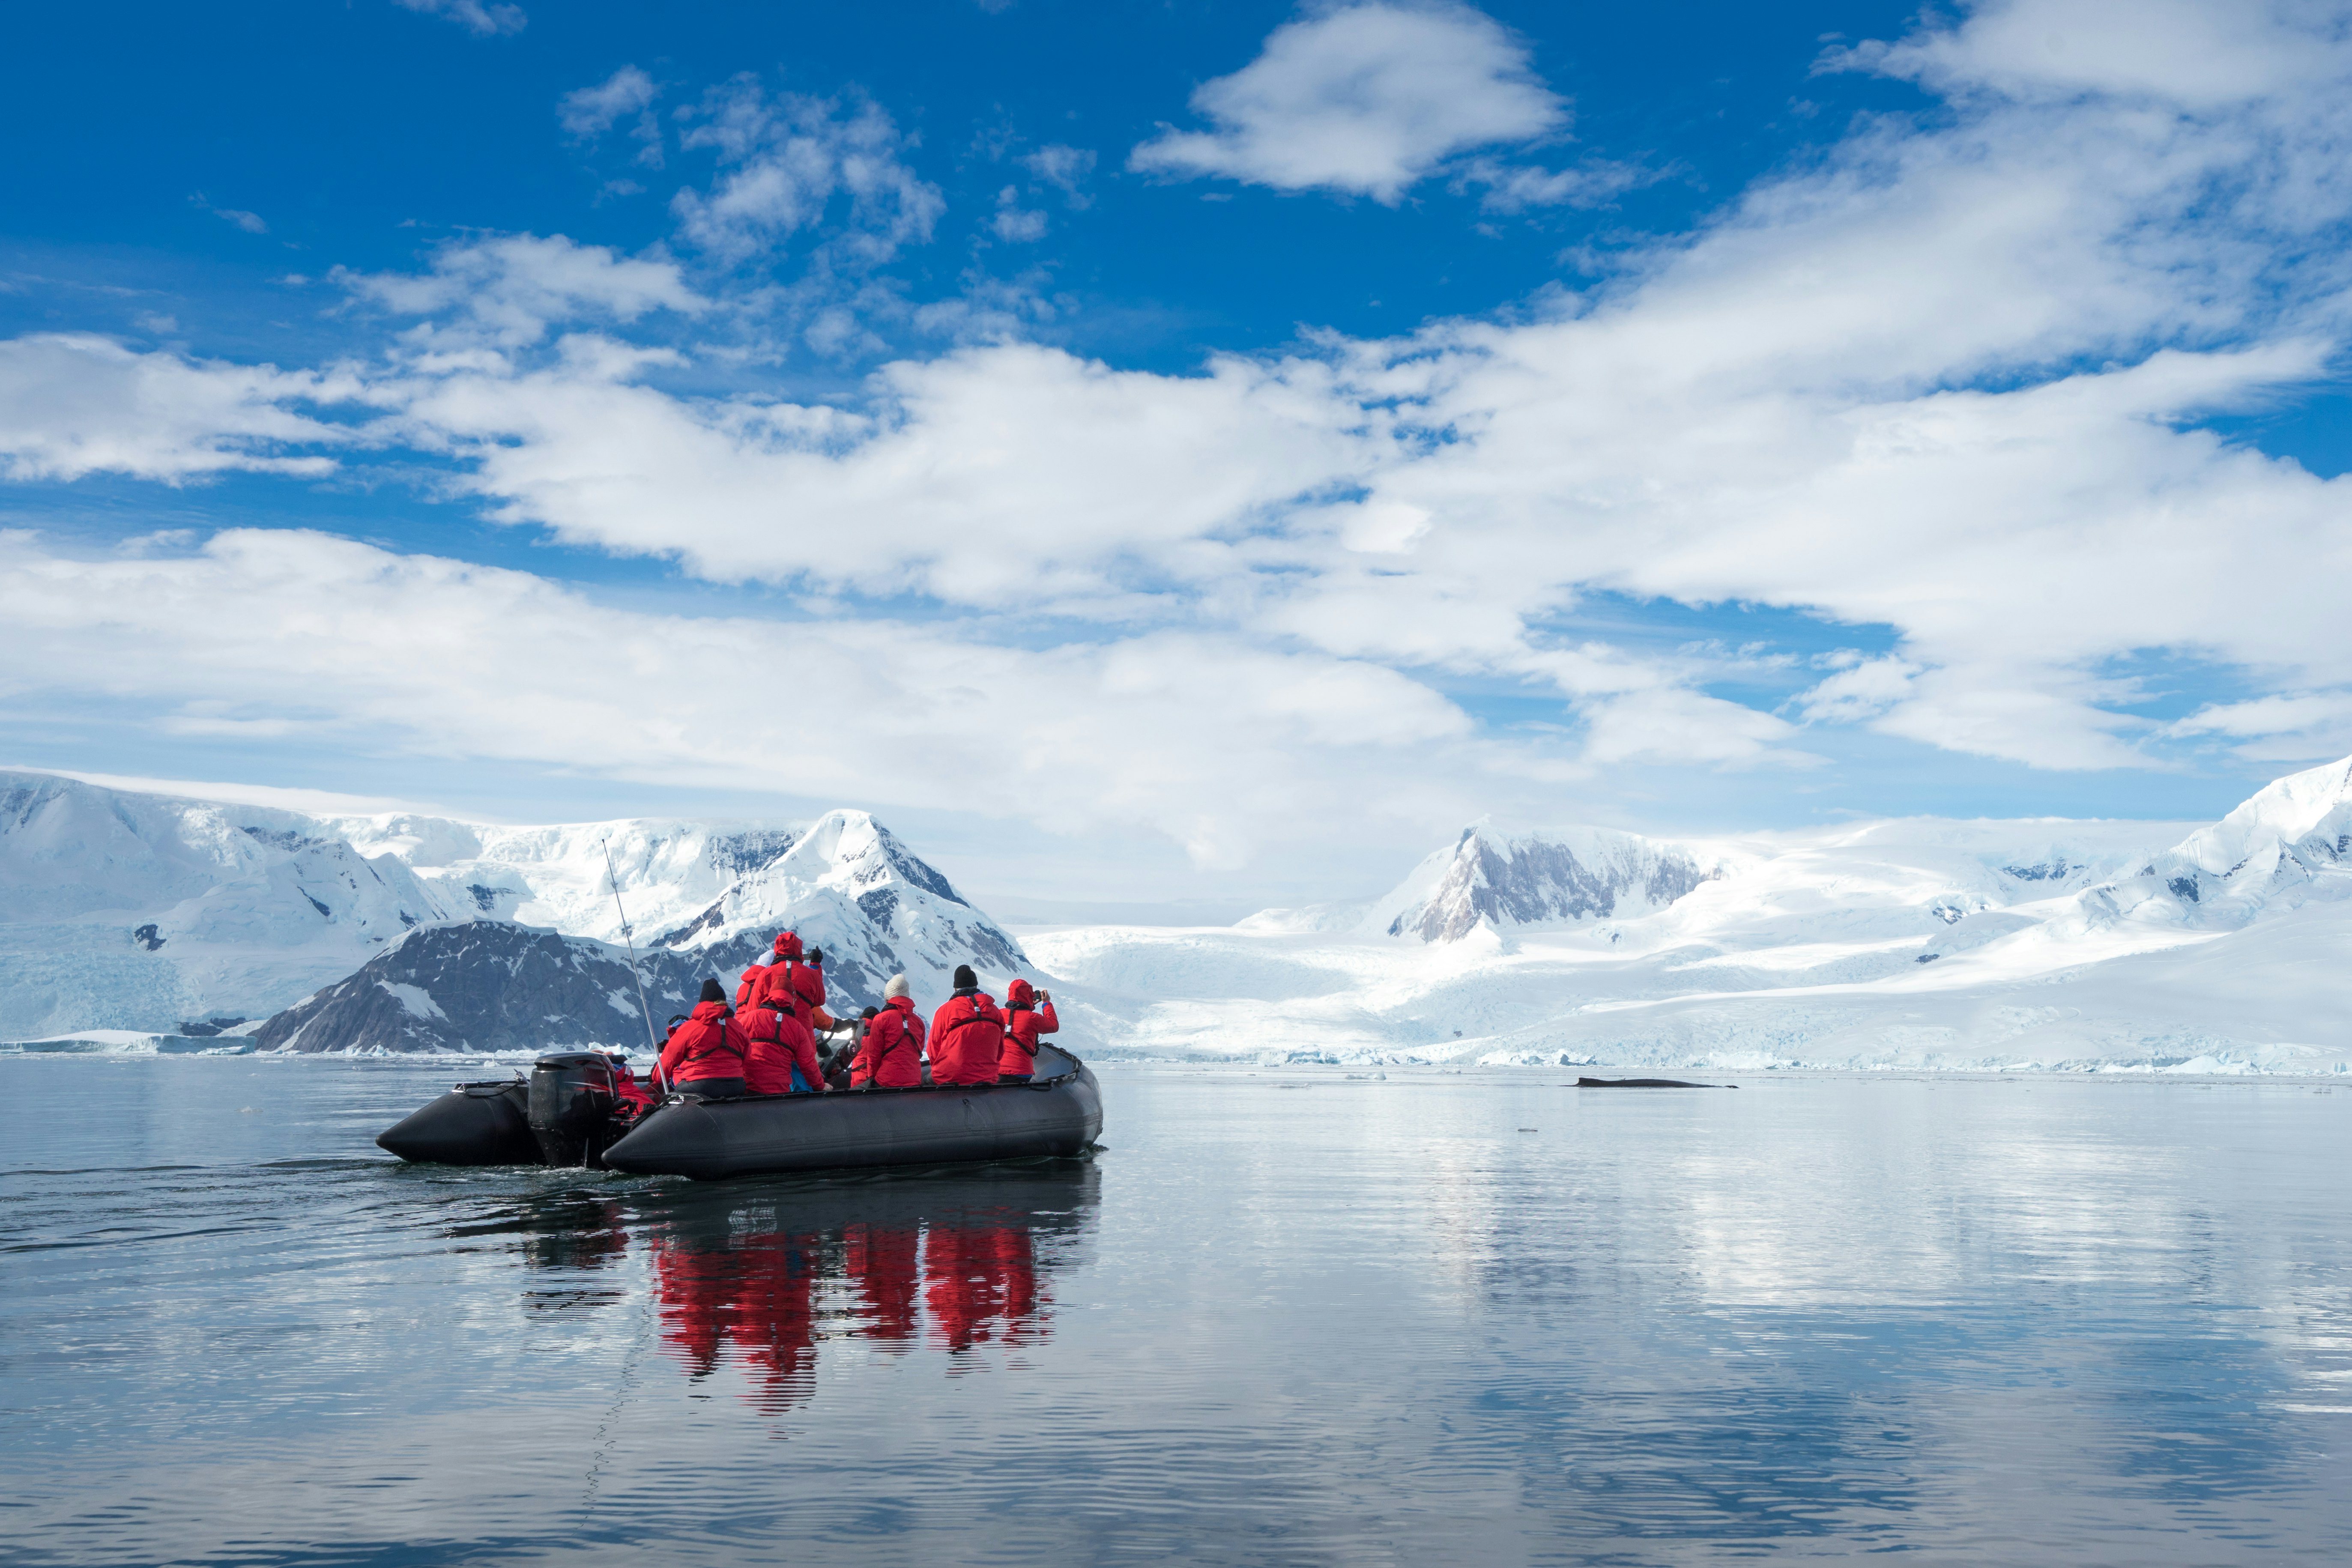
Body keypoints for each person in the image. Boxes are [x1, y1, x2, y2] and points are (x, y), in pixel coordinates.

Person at [659, 978, 752, 1098]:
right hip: (735, 1085)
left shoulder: (690, 1027)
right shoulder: (738, 1027)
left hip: (700, 1085)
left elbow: (670, 1058)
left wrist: (657, 1078)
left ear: (703, 1002)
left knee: (676, 1083)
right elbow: (746, 1056)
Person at [927, 964, 1006, 1087]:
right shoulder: (995, 1011)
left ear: (955, 989)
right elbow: (1001, 1049)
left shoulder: (946, 1010)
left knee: (925, 1082)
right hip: (988, 1076)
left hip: (950, 1076)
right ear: (976, 986)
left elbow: (933, 1049)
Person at [739, 982, 825, 1095]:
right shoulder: (798, 1028)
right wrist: (821, 1086)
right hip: (780, 1092)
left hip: (749, 1089)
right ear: (793, 1001)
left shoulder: (750, 1018)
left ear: (769, 996)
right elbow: (808, 1064)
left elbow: (734, 1047)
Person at [853, 974, 927, 1089]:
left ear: (888, 998)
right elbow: (919, 1050)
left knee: (854, 1094)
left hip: (887, 1080)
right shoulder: (919, 1022)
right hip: (914, 1080)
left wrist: (872, 1078)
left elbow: (874, 1055)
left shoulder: (881, 1019)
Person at [997, 979, 1059, 1084]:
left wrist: (1029, 1006)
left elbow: (1017, 1016)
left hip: (997, 1070)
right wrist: (1046, 1003)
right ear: (1029, 996)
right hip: (1021, 1072)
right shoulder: (1032, 1018)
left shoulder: (998, 1014)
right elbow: (1053, 1026)